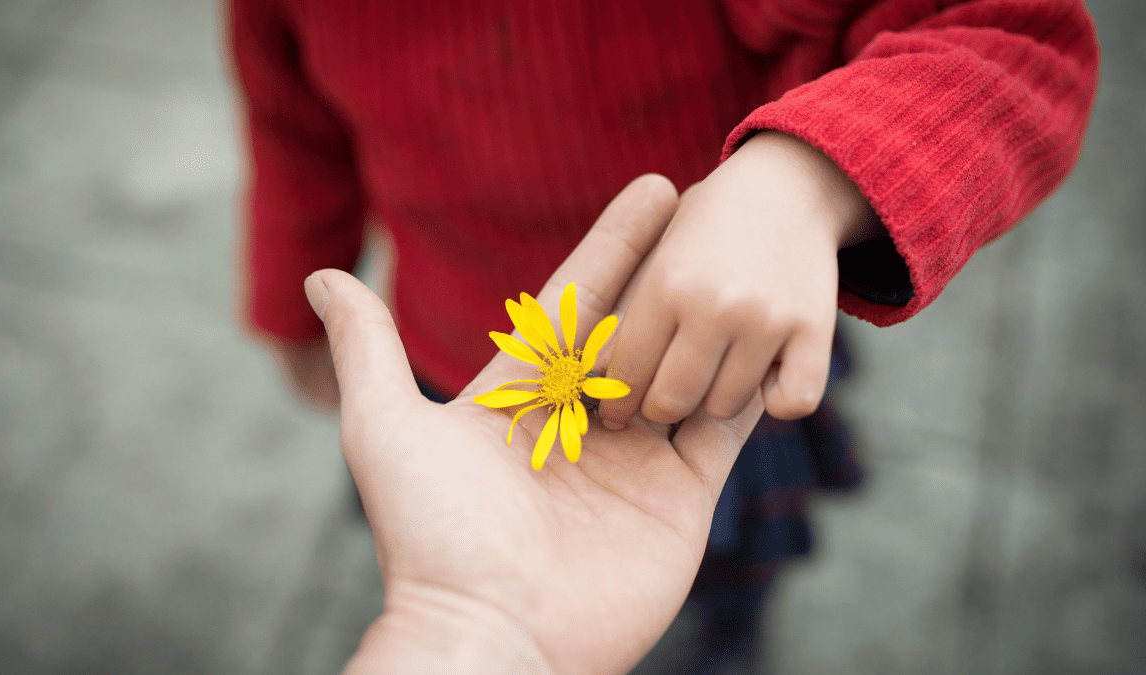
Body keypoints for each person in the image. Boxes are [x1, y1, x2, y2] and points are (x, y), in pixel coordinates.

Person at [229, 0, 1099, 668]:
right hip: (458, 364)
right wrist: (290, 302)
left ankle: (730, 623)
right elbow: (293, 130)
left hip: (712, 376)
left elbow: (1011, 36)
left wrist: (806, 181)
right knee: (448, 528)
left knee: (725, 543)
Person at [306, 178, 769, 673]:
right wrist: (469, 623)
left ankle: (736, 618)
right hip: (444, 344)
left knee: (740, 530)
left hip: (702, 300)